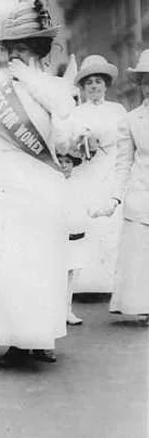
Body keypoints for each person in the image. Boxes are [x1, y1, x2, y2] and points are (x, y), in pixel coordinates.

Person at [0, 1, 79, 366]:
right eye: (12, 49)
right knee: (9, 262)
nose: (15, 56)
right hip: (5, 183)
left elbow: (65, 136)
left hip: (42, 184)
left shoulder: (53, 88)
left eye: (23, 49)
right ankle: (15, 339)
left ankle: (43, 336)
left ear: (38, 52)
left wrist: (33, 82)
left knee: (42, 262)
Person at [91, 49, 149, 324]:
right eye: (145, 80)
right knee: (139, 257)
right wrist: (114, 198)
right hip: (141, 196)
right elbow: (123, 163)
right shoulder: (130, 120)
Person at [67, 55, 127, 298]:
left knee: (112, 226)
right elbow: (69, 143)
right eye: (89, 82)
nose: (94, 87)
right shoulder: (76, 113)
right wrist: (81, 142)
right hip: (86, 171)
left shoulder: (117, 110)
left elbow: (125, 143)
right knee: (87, 222)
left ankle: (110, 283)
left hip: (110, 170)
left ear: (105, 85)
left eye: (98, 82)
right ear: (83, 87)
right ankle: (84, 284)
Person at [59, 154, 89, 326]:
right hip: (58, 238)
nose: (64, 166)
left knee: (71, 274)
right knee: (58, 274)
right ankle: (55, 312)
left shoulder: (78, 185)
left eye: (68, 162)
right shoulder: (52, 184)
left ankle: (67, 311)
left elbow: (84, 206)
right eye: (61, 162)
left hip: (75, 236)